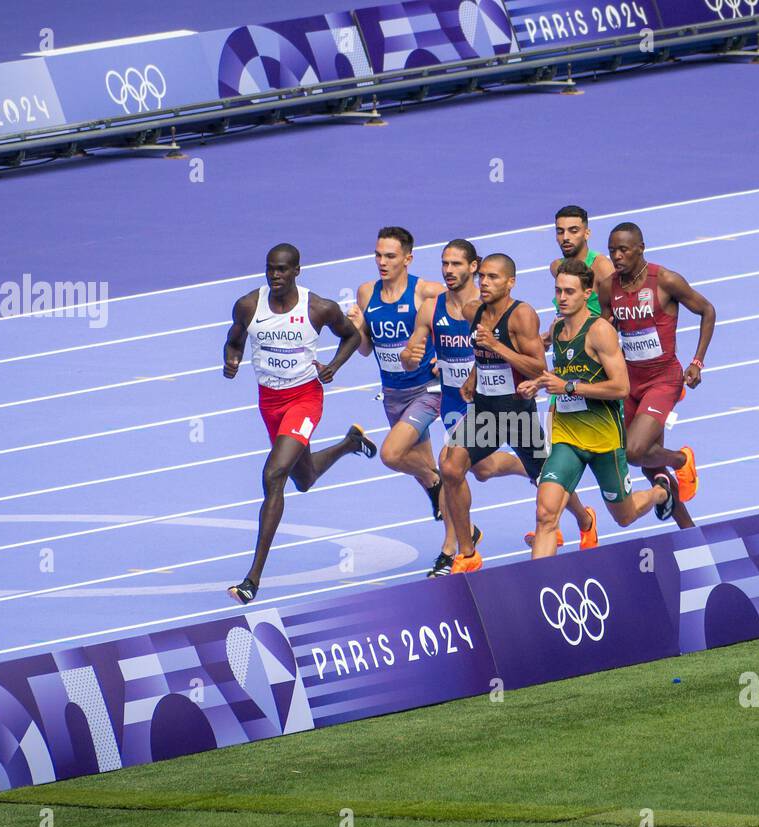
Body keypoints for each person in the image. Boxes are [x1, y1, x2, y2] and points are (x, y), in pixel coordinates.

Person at [222, 243, 376, 605]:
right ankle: (350, 443)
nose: (275, 276)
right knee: (303, 479)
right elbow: (233, 341)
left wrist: (334, 367)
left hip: (304, 400)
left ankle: (252, 579)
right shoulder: (248, 305)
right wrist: (231, 361)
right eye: (270, 269)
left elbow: (351, 335)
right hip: (269, 401)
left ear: (296, 272)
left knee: (274, 474)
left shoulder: (318, 308)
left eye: (282, 270)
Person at [522, 259, 674, 558]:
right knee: (545, 515)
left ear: (587, 292)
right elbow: (565, 376)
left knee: (625, 516)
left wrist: (568, 387)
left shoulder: (599, 331)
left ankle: (661, 491)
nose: (562, 298)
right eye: (558, 291)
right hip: (567, 439)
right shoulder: (558, 329)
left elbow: (621, 388)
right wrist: (540, 383)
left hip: (605, 442)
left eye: (569, 292)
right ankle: (538, 588)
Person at [439, 254, 554, 573]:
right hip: (485, 412)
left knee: (547, 478)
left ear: (510, 282)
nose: (485, 283)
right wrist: (474, 375)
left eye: (493, 277)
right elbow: (483, 353)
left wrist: (498, 346)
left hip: (517, 415)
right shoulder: (472, 310)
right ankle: (467, 554)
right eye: (482, 277)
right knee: (450, 467)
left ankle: (585, 520)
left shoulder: (522, 315)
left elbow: (538, 367)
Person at [597, 222, 716, 530]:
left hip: (663, 379)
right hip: (629, 381)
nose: (617, 256)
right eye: (612, 251)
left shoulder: (665, 280)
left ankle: (682, 460)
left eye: (623, 250)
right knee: (652, 466)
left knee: (635, 452)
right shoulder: (608, 287)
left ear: (640, 249)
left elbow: (707, 310)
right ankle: (689, 531)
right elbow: (606, 331)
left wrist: (697, 361)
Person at [346, 226, 448, 519]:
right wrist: (354, 329)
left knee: (391, 455)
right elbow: (366, 349)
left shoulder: (426, 291)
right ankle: (461, 541)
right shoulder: (367, 292)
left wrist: (447, 357)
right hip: (392, 393)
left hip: (427, 390)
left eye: (390, 256)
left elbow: (465, 313)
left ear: (408, 259)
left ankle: (436, 481)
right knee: (424, 470)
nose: (382, 262)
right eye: (378, 255)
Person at [547, 204, 615, 318]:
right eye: (560, 232)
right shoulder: (556, 267)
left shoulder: (601, 267)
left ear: (586, 234)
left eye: (573, 231)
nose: (565, 237)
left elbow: (619, 311)